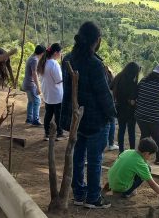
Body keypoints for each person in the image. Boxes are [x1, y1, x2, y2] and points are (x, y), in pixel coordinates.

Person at [60, 21, 116, 209]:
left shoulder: (68, 58)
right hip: (95, 121)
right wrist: (112, 115)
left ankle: (78, 193)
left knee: (78, 156)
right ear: (97, 41)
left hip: (75, 118)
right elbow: (104, 95)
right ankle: (93, 197)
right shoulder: (95, 64)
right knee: (94, 160)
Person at [107, 137, 159, 205]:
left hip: (111, 182)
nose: (150, 157)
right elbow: (152, 184)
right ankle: (126, 193)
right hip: (120, 188)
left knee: (137, 169)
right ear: (146, 153)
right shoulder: (140, 164)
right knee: (148, 169)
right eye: (151, 155)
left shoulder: (128, 151)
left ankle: (120, 187)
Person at [110, 62, 141, 153]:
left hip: (119, 107)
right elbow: (132, 99)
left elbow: (111, 87)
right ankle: (131, 151)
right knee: (131, 132)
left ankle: (121, 151)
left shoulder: (119, 76)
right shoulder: (132, 82)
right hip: (130, 110)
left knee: (121, 130)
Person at [38, 43, 64, 141]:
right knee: (58, 114)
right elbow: (58, 80)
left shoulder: (43, 62)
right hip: (56, 93)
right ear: (56, 52)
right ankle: (59, 133)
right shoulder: (54, 63)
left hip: (47, 92)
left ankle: (47, 133)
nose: (61, 54)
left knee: (48, 113)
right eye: (60, 52)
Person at [23, 45, 45, 126]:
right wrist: (38, 87)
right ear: (42, 53)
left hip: (27, 83)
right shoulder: (35, 60)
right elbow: (34, 73)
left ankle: (29, 119)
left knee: (31, 102)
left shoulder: (31, 57)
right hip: (31, 84)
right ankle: (35, 120)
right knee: (37, 101)